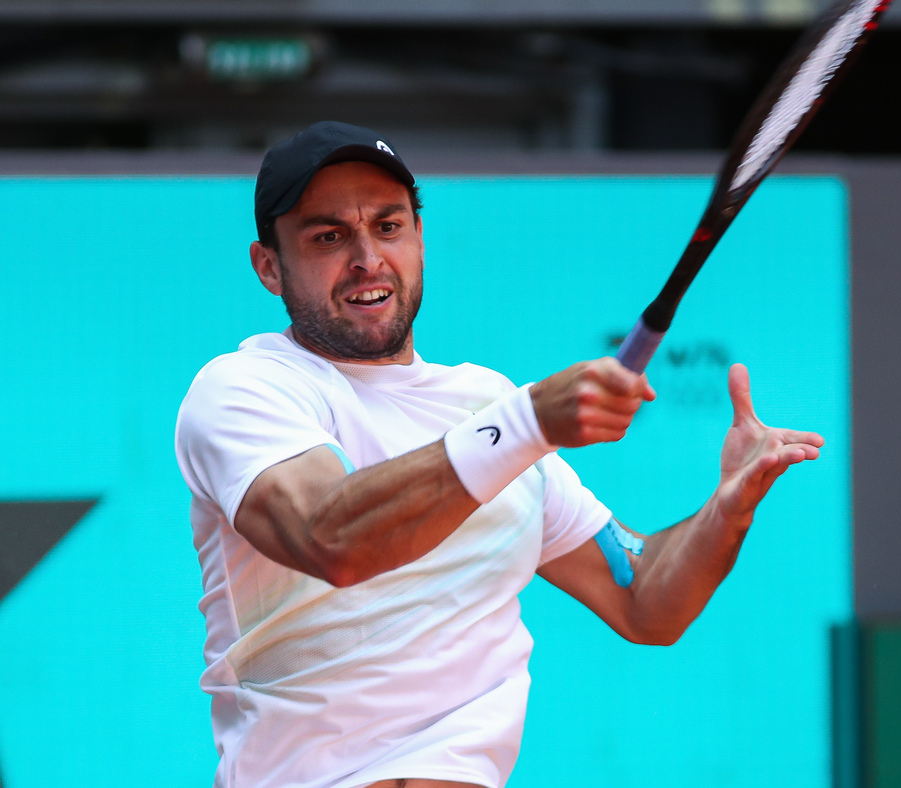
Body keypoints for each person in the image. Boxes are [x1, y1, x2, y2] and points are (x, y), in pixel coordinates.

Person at [174, 121, 824, 788]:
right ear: (269, 266)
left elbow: (645, 599)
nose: (368, 258)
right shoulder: (245, 388)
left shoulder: (485, 404)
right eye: (328, 237)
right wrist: (527, 421)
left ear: (418, 237)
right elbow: (329, 536)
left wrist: (726, 509)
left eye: (389, 227)